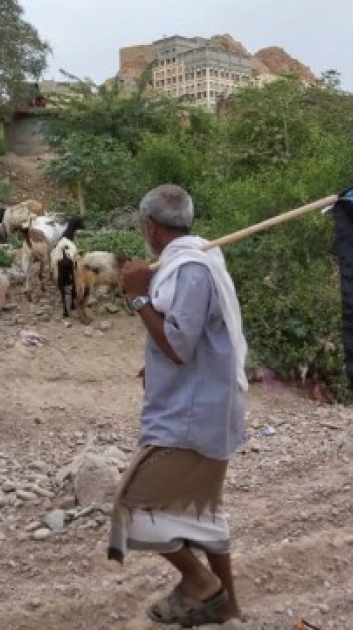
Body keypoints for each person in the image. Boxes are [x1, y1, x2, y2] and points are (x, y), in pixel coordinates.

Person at [108, 184, 247, 627]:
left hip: (190, 416)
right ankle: (228, 607)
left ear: (150, 227)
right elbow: (192, 336)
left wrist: (137, 296)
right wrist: (154, 364)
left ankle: (200, 583)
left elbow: (180, 345)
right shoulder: (198, 258)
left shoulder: (190, 269)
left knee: (133, 508)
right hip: (207, 405)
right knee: (201, 513)